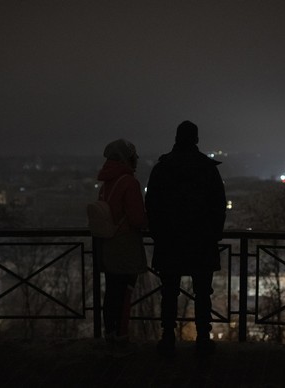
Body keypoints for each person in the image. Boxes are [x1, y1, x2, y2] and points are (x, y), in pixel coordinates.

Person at [145, 120, 226, 355]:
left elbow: (152, 206)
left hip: (170, 241)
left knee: (169, 292)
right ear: (196, 139)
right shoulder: (208, 168)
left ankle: (168, 337)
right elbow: (218, 206)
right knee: (203, 293)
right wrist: (213, 234)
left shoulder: (162, 168)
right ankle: (202, 338)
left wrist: (159, 234)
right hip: (201, 241)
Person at [96, 139, 148, 348]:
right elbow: (137, 219)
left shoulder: (106, 184)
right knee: (125, 292)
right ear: (127, 158)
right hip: (126, 245)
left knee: (111, 292)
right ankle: (120, 338)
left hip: (108, 244)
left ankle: (109, 334)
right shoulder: (129, 182)